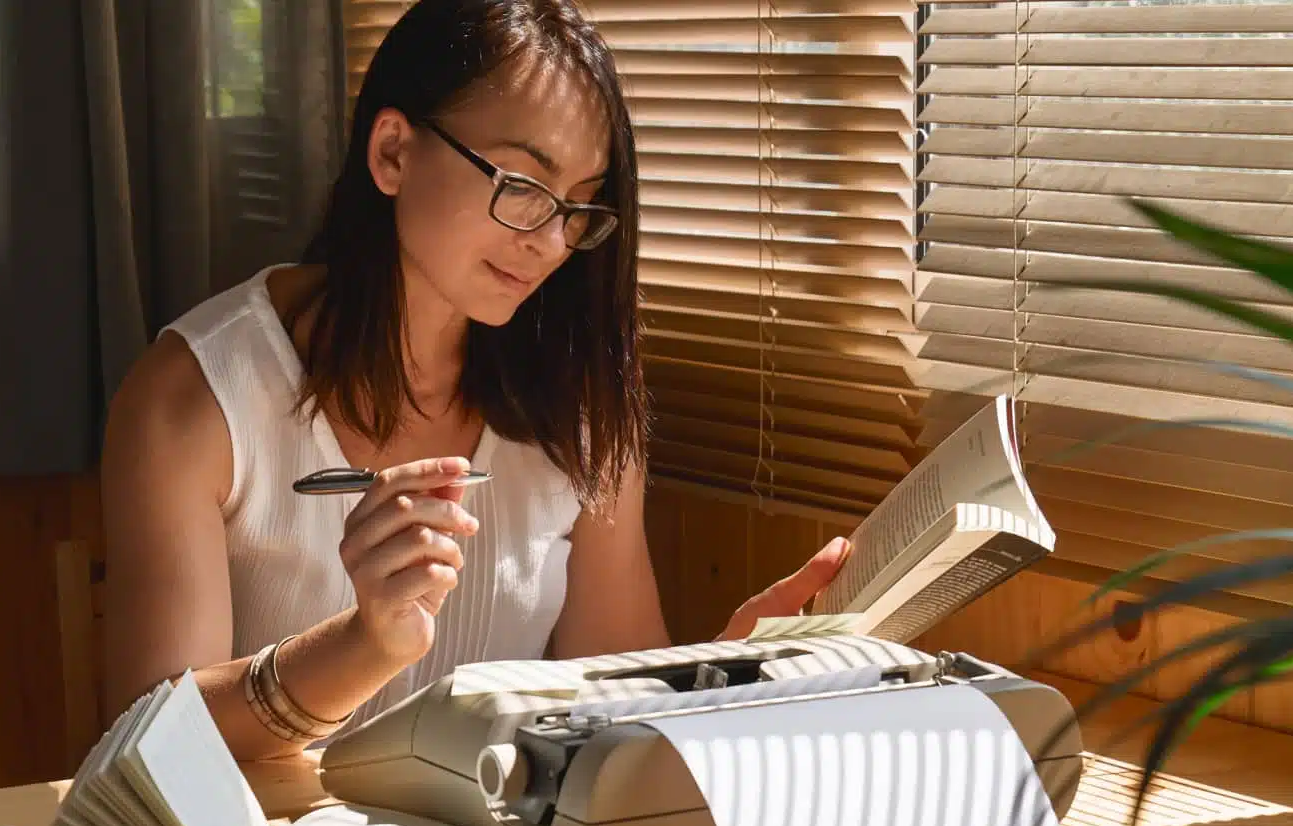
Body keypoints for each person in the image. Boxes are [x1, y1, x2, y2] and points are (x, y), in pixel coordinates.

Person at [98, 0, 850, 761]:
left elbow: (615, 700)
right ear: (393, 152)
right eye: (521, 183)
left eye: (579, 205)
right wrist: (366, 645)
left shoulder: (577, 403)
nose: (552, 242)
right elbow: (151, 749)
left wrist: (721, 675)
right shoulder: (194, 400)